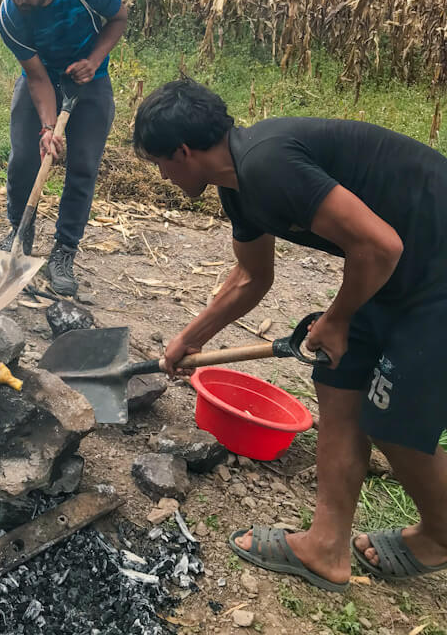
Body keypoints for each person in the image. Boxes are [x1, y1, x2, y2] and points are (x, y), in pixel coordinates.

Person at [133, 78, 447, 592]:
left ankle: (440, 533)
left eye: (159, 164)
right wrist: (192, 337)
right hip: (396, 273)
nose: (163, 176)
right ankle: (326, 548)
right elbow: (253, 278)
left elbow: (380, 244)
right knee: (338, 385)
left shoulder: (267, 164)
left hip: (431, 275)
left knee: (393, 421)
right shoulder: (237, 185)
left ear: (183, 152)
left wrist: (338, 318)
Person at [0, 0, 127, 296]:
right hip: (43, 78)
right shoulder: (10, 17)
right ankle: (21, 232)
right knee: (23, 158)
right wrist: (48, 127)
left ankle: (64, 252)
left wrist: (94, 61)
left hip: (90, 81)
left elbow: (118, 18)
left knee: (83, 167)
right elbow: (37, 78)